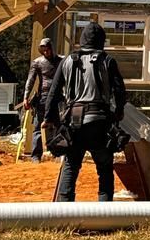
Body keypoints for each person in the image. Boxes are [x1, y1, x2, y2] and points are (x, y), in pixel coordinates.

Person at [43, 21, 127, 202]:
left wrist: (49, 118)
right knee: (104, 169)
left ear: (82, 40)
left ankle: (64, 213)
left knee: (71, 166)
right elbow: (120, 91)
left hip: (74, 122)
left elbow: (54, 93)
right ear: (101, 41)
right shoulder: (107, 60)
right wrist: (118, 113)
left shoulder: (67, 61)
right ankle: (105, 214)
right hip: (100, 121)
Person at [19, 37, 61, 162]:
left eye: (48, 49)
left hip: (58, 98)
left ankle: (57, 153)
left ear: (51, 49)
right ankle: (36, 155)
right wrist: (26, 97)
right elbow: (30, 80)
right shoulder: (37, 62)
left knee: (59, 126)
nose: (46, 52)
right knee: (38, 127)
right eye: (43, 50)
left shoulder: (60, 61)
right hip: (42, 97)